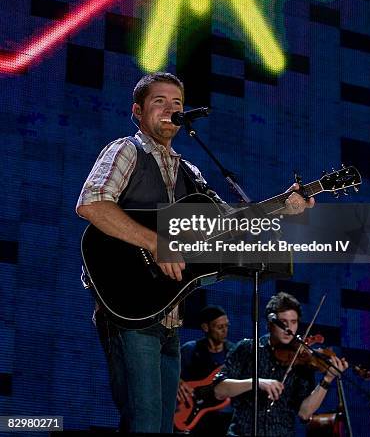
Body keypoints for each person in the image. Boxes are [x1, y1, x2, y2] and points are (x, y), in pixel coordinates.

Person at [76, 72, 312, 434]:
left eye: (177, 104)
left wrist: (284, 206)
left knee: (162, 427)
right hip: (128, 309)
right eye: (160, 102)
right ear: (137, 111)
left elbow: (232, 222)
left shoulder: (191, 171)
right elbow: (92, 205)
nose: (171, 109)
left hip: (170, 316)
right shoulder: (126, 150)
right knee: (143, 423)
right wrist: (156, 243)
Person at [214, 292, 348, 437]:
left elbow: (304, 413)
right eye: (283, 322)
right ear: (270, 323)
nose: (288, 328)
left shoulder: (302, 360)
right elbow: (219, 390)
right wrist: (257, 382)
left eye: (294, 322)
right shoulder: (247, 349)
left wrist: (327, 380)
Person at [177, 305, 235, 435]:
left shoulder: (233, 352)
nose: (225, 330)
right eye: (219, 327)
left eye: (227, 326)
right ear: (205, 327)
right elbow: (170, 374)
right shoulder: (190, 349)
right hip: (193, 415)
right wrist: (178, 382)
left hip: (225, 418)